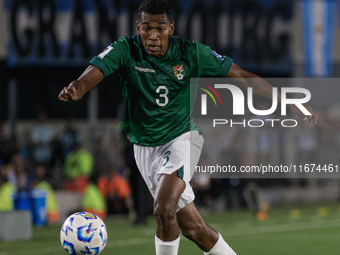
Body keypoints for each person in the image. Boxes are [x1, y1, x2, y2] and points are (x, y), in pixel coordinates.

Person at [58, 0, 318, 254]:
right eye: (147, 27)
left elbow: (242, 75)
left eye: (160, 28)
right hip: (144, 149)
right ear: (138, 27)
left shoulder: (190, 53)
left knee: (162, 208)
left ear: (171, 28)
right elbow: (95, 70)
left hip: (181, 139)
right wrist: (77, 88)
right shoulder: (126, 49)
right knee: (195, 230)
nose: (153, 35)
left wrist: (287, 101)